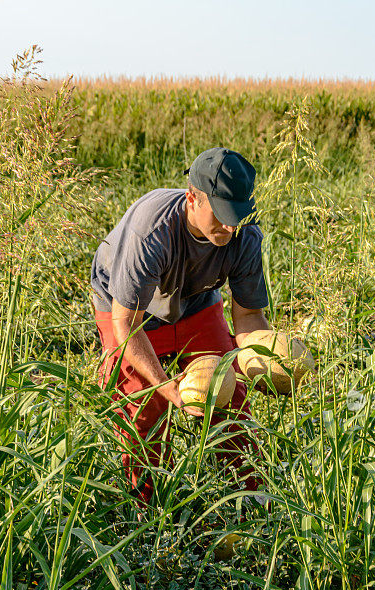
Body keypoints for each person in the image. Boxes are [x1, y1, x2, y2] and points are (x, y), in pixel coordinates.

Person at [91, 147, 271, 503]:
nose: (230, 226)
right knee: (143, 404)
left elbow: (248, 317)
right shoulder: (152, 232)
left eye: (238, 215)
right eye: (221, 215)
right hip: (128, 309)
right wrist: (165, 386)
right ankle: (147, 509)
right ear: (192, 197)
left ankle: (249, 501)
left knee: (230, 391)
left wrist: (263, 364)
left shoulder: (243, 236)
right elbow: (126, 323)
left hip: (196, 302)